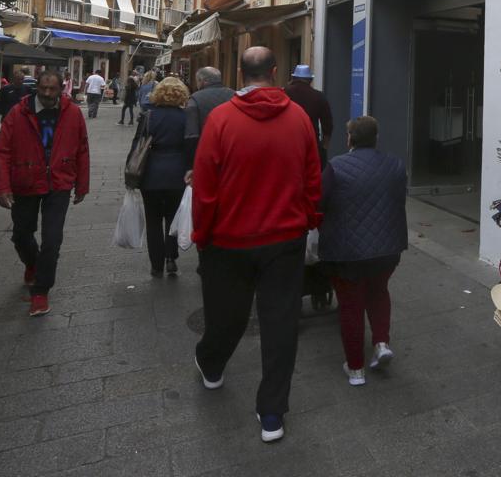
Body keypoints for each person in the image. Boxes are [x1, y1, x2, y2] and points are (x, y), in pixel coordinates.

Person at [191, 46, 321, 444]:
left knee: (225, 314)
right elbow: (312, 178)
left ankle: (212, 365)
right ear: (275, 71)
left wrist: (201, 233)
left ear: (241, 73)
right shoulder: (299, 118)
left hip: (228, 239)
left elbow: (205, 185)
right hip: (284, 238)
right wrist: (310, 220)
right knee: (281, 323)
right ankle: (271, 413)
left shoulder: (221, 120)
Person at [0, 69, 90, 317]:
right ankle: (32, 263)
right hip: (25, 180)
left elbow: (82, 149)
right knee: (21, 234)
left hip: (59, 182)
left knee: (52, 238)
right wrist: (2, 187)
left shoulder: (73, 114)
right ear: (37, 87)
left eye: (52, 89)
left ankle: (40, 291)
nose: (47, 93)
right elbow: (2, 151)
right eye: (43, 88)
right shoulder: (18, 113)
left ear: (61, 89)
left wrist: (82, 184)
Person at [318, 116, 408, 386]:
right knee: (379, 292)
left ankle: (355, 368)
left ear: (349, 139)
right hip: (388, 248)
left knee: (351, 306)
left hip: (348, 252)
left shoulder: (336, 167)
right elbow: (398, 199)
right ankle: (381, 343)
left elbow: (319, 203)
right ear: (376, 138)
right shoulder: (396, 165)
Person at [134, 77, 192, 277]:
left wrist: (130, 172)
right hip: (178, 173)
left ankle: (156, 263)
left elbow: (137, 145)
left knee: (153, 219)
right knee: (173, 217)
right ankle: (171, 258)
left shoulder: (148, 115)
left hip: (151, 173)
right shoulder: (186, 117)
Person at [183, 66, 234, 166]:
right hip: (230, 153)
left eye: (197, 81)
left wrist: (191, 164)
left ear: (202, 81)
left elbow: (191, 135)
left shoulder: (195, 99)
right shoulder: (234, 94)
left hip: (206, 156)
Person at [284, 64, 333, 166]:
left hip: (287, 143)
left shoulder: (283, 93)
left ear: (293, 78)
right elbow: (327, 125)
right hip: (311, 143)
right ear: (310, 80)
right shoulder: (319, 96)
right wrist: (324, 147)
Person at [0, 70, 33, 146]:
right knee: (8, 137)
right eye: (18, 79)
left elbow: (31, 103)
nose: (20, 81)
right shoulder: (5, 89)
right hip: (8, 117)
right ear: (14, 79)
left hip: (23, 118)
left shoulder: (27, 89)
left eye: (22, 79)